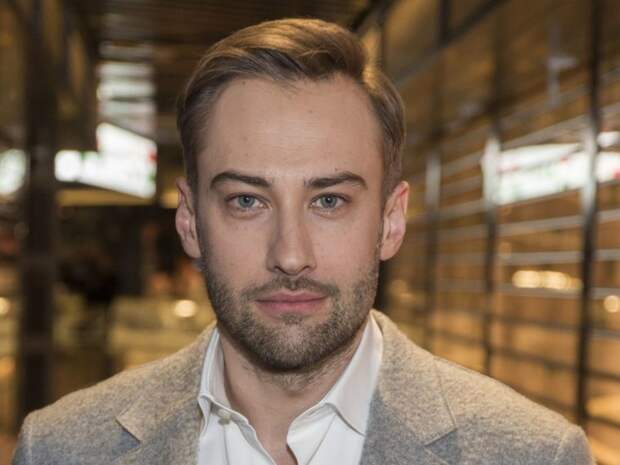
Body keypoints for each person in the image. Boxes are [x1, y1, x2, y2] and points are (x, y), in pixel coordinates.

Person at [12, 18, 595, 465]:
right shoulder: (60, 448)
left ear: (391, 221)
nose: (290, 255)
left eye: (329, 201)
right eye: (247, 201)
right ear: (189, 221)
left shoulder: (535, 455)